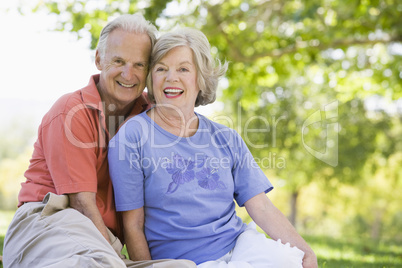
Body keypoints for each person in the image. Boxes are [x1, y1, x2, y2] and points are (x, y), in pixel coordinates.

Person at [108, 28, 318, 268]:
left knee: (289, 260)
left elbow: (260, 206)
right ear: (151, 79)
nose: (171, 78)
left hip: (239, 246)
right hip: (185, 261)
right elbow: (133, 225)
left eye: (183, 69)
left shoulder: (225, 137)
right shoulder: (132, 136)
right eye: (161, 68)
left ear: (201, 78)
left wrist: (304, 251)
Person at [3, 13, 196, 268]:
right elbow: (82, 204)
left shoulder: (152, 113)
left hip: (100, 241)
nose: (129, 74)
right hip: (47, 224)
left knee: (181, 267)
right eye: (119, 61)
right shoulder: (71, 112)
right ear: (99, 59)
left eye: (139, 65)